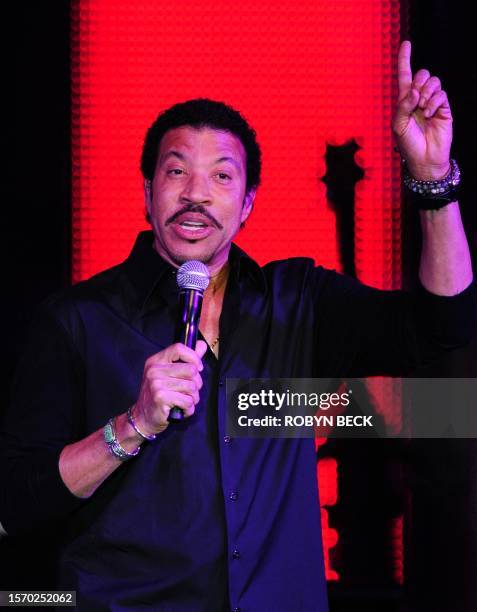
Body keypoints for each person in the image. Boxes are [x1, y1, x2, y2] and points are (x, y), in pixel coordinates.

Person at [1, 40, 475, 611]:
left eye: (222, 177)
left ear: (248, 203)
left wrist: (432, 179)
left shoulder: (298, 300)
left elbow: (442, 325)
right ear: (148, 193)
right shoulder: (78, 320)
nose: (196, 194)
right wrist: (131, 426)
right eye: (176, 171)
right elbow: (18, 505)